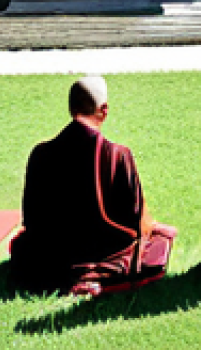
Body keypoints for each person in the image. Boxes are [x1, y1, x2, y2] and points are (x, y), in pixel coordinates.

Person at [10, 75, 177, 296]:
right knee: (157, 243)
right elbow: (134, 219)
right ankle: (95, 276)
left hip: (52, 255)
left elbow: (31, 218)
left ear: (70, 108)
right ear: (104, 109)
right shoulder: (118, 155)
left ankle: (67, 276)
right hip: (108, 251)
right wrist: (151, 227)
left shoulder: (40, 153)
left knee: (22, 246)